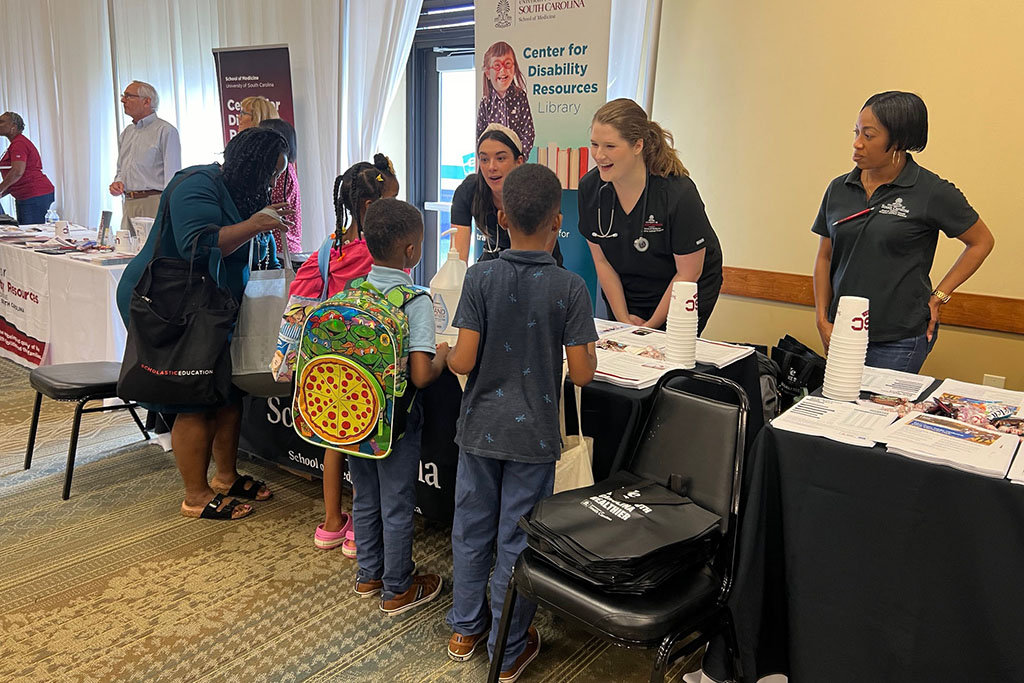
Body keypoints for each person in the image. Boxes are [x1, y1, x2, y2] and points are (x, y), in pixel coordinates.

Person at [445, 164, 598, 681]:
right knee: (518, 538)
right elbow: (581, 372)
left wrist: (445, 353)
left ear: (502, 215)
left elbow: (463, 362)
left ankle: (465, 629)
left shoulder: (480, 276)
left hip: (479, 433)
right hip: (533, 437)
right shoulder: (571, 288)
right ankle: (507, 649)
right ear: (559, 221)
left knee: (470, 530)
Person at [115, 127, 292, 520]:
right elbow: (199, 243)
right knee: (192, 396)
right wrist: (256, 225)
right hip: (166, 300)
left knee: (227, 391)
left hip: (212, 303)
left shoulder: (241, 191)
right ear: (249, 166)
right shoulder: (196, 184)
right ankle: (195, 496)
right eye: (269, 173)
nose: (271, 182)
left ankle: (225, 478)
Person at [812, 91, 995, 372]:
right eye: (856, 132)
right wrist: (822, 319)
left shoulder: (931, 191)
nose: (857, 143)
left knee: (882, 416)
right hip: (844, 330)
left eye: (869, 136)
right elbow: (825, 257)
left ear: (898, 140)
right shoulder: (838, 188)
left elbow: (981, 241)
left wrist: (940, 295)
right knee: (841, 411)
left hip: (899, 339)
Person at [275, 154, 398, 558]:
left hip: (327, 365)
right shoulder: (377, 250)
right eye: (391, 201)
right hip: (367, 363)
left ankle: (331, 523)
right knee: (363, 443)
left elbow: (299, 295)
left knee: (333, 440)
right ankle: (360, 531)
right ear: (370, 206)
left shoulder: (331, 247)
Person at [347, 198, 450, 613]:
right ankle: (398, 588)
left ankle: (368, 575)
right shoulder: (414, 299)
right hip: (397, 422)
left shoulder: (354, 290)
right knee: (397, 501)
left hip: (354, 416)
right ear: (411, 252)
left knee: (365, 497)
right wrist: (442, 353)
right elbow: (422, 375)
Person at [579, 98, 723, 333]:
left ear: (637, 146)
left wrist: (650, 326)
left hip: (684, 284)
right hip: (628, 285)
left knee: (667, 353)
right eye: (594, 144)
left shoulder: (677, 192)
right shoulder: (590, 189)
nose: (599, 155)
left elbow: (689, 272)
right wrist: (623, 319)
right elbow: (602, 261)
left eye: (610, 146)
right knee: (626, 346)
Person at [451, 124, 562, 266]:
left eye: (500, 158)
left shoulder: (538, 189)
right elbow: (458, 259)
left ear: (519, 162)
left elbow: (538, 265)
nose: (491, 167)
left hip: (538, 268)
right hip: (492, 266)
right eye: (484, 159)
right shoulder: (469, 190)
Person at [109, 81, 182, 232]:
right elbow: (121, 169)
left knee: (153, 251)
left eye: (129, 96)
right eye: (124, 96)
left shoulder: (165, 131)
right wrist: (118, 182)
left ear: (147, 101)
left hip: (154, 202)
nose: (123, 100)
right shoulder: (127, 132)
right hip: (129, 202)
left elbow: (172, 175)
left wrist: (166, 207)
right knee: (128, 252)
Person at [477, 41, 535, 160]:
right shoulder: (486, 102)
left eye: (507, 64)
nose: (503, 71)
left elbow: (528, 132)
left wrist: (519, 157)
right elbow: (480, 135)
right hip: (493, 162)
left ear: (514, 69)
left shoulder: (520, 97)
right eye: (497, 66)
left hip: (515, 163)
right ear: (488, 73)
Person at [0, 112, 55, 225]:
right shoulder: (16, 143)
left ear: (13, 127)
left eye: (2, 122)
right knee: (25, 233)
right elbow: (15, 177)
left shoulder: (19, 143)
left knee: (31, 235)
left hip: (34, 194)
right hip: (26, 195)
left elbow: (17, 172)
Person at [259, 118, 303, 256]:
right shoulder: (287, 168)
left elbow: (270, 205)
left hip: (281, 248)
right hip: (286, 246)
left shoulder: (281, 170)